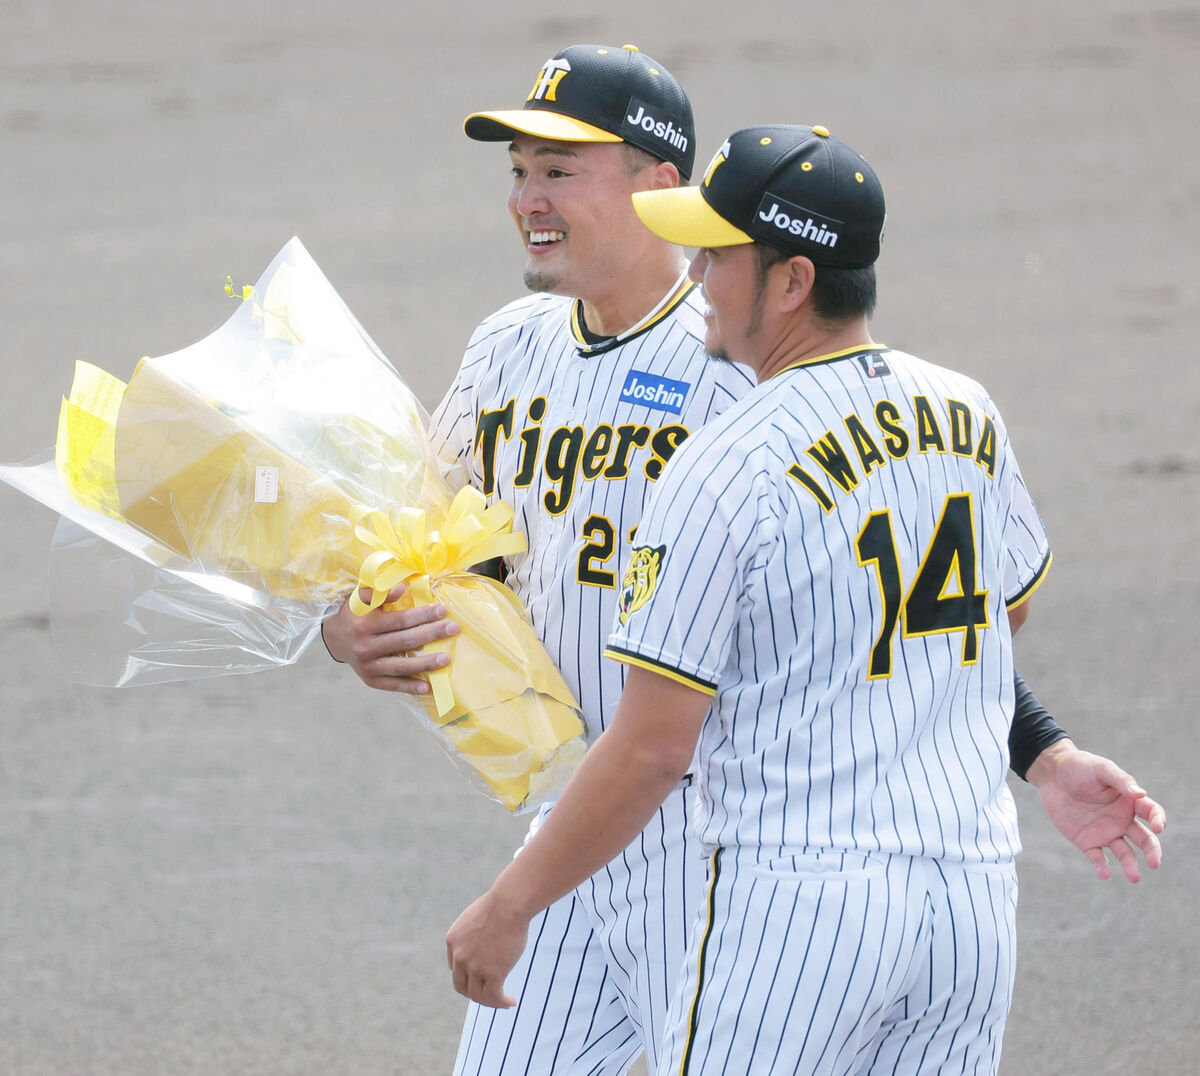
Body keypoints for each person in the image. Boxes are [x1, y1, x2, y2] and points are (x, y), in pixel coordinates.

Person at [323, 50, 1164, 1074]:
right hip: (576, 820)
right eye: (519, 172)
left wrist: (1037, 745)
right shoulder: (506, 347)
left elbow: (870, 612)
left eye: (559, 171)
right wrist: (348, 624)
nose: (527, 200)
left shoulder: (741, 382)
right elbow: (446, 552)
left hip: (716, 829)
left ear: (657, 185)